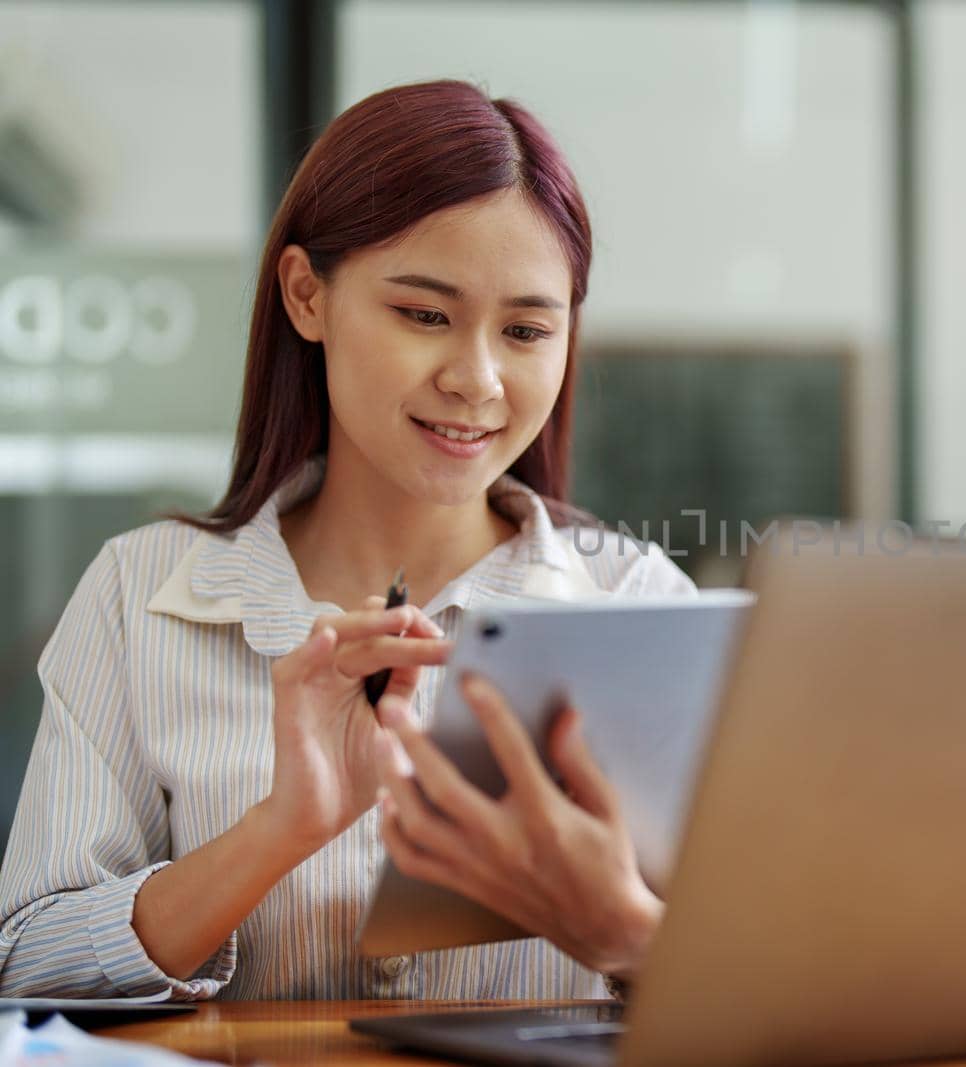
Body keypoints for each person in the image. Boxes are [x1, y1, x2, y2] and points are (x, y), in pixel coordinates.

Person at [0, 80, 688, 1001]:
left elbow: (797, 990)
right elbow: (26, 965)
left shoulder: (644, 606)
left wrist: (634, 937)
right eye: (424, 314)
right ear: (306, 296)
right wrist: (279, 829)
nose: (478, 379)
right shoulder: (139, 593)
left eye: (526, 330)